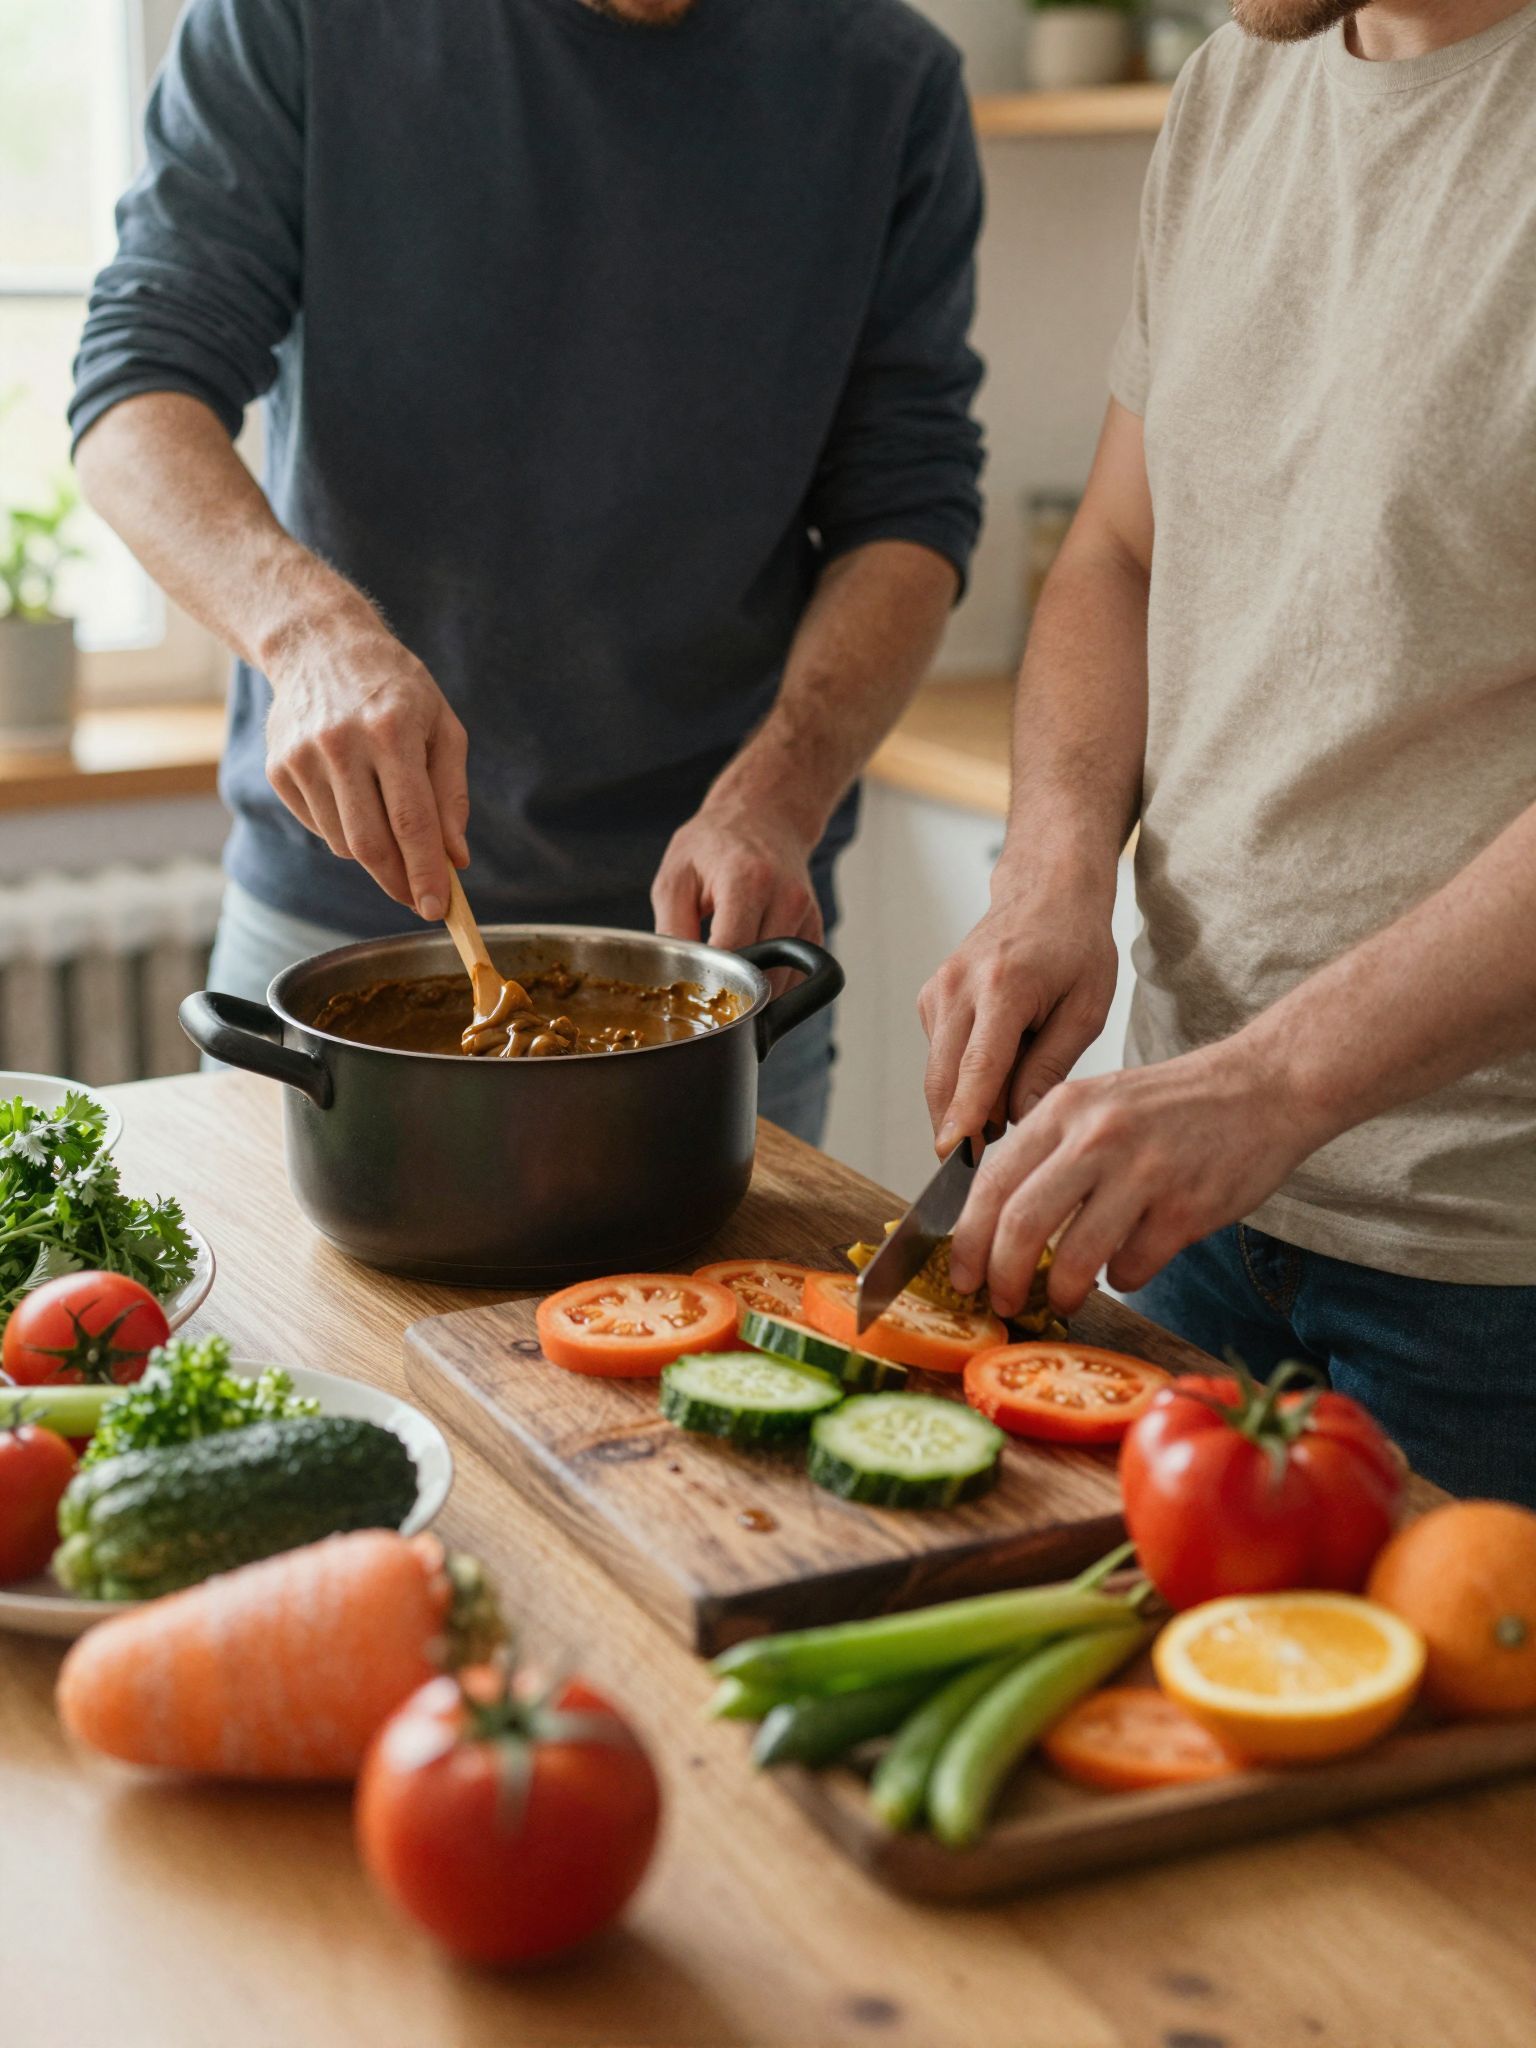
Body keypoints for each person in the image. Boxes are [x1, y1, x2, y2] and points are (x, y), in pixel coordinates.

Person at [71, 0, 985, 1144]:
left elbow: (907, 503)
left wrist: (779, 794)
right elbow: (135, 388)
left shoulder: (889, 80)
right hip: (332, 924)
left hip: (721, 950)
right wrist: (307, 634)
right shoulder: (296, 18)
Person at [919, 0, 1536, 1502]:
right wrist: (1053, 873)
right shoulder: (1232, 88)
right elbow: (1121, 551)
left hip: (1487, 1282)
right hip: (1176, 1212)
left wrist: (1269, 1088)